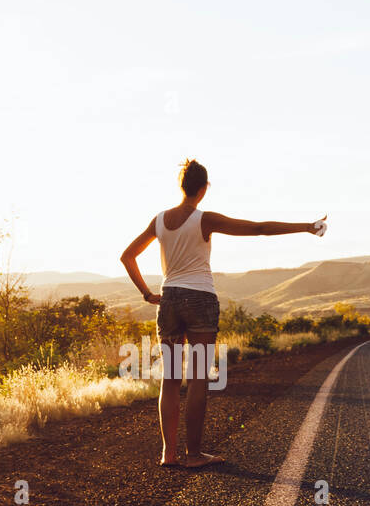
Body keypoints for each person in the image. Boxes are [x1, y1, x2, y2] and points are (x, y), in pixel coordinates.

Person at [120, 158, 327, 469]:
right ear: (203, 189)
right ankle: (193, 455)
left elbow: (128, 256)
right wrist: (307, 227)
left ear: (181, 186)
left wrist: (147, 294)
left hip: (170, 299)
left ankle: (168, 454)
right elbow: (258, 229)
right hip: (201, 299)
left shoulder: (159, 220)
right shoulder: (205, 219)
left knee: (171, 379)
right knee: (199, 378)